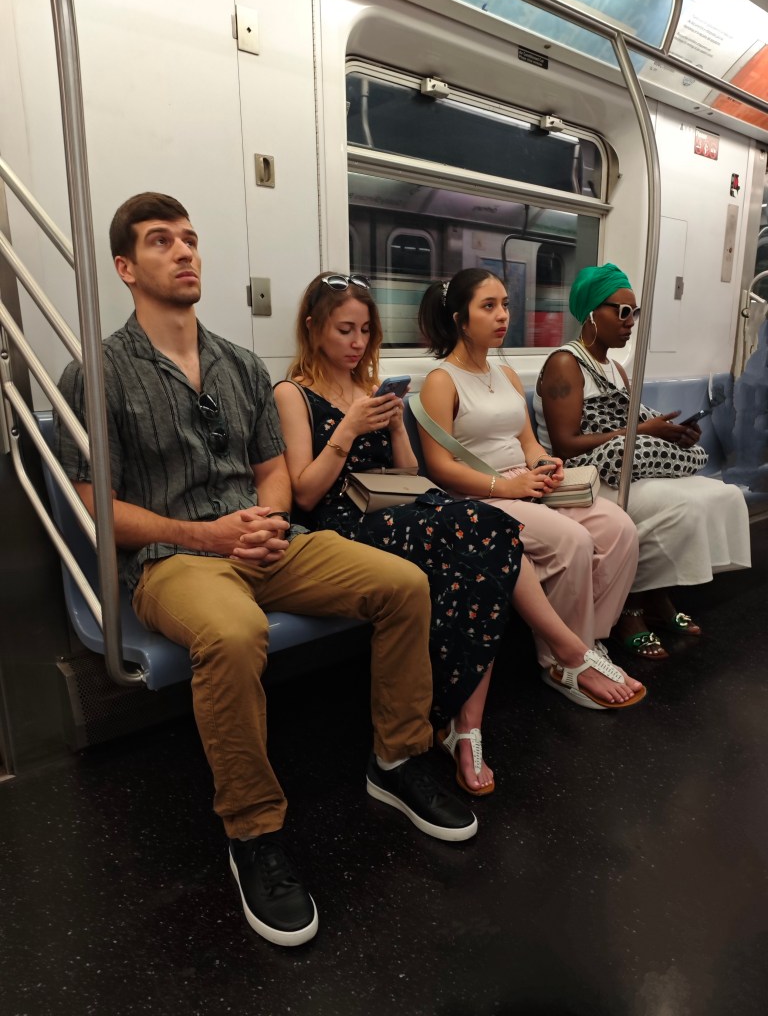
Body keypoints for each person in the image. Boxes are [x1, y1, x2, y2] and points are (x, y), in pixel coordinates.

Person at [54, 193, 478, 950]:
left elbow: (272, 473)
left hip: (262, 543)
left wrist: (267, 521)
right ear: (125, 268)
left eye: (190, 238)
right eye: (160, 242)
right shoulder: (98, 371)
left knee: (403, 584)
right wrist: (208, 535)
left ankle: (397, 757)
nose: (184, 251)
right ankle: (253, 831)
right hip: (171, 559)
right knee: (233, 633)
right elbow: (96, 505)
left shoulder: (240, 365)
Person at [275, 275, 644, 798]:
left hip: (398, 504)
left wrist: (395, 427)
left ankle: (466, 723)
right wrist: (349, 429)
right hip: (345, 519)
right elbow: (306, 495)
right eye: (344, 330)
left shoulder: (367, 387)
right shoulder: (292, 394)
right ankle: (568, 649)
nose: (358, 343)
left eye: (366, 331)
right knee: (488, 528)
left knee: (492, 538)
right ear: (313, 329)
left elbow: (408, 472)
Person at [416, 268, 645, 709]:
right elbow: (440, 468)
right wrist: (507, 486)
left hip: (526, 484)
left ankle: (589, 642)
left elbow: (527, 440)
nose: (503, 315)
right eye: (488, 306)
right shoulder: (441, 381)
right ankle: (560, 662)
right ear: (460, 319)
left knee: (619, 528)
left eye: (505, 304)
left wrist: (543, 464)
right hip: (481, 496)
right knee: (573, 541)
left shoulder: (504, 373)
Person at [534, 262, 751, 658]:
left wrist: (672, 433)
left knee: (719, 495)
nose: (629, 321)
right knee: (681, 507)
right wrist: (637, 434)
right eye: (621, 311)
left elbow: (633, 423)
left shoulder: (616, 369)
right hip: (586, 476)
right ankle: (629, 606)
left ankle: (657, 594)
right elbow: (565, 446)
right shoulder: (565, 363)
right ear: (591, 314)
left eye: (634, 313)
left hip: (624, 468)